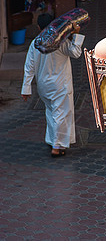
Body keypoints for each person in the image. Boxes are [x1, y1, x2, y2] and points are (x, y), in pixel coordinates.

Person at [21, 20, 85, 157]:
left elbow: (29, 67)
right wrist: (76, 35)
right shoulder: (59, 42)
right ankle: (57, 146)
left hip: (43, 86)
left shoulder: (35, 43)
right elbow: (76, 53)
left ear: (39, 27)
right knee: (60, 114)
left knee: (51, 112)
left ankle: (53, 141)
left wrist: (26, 88)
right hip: (60, 85)